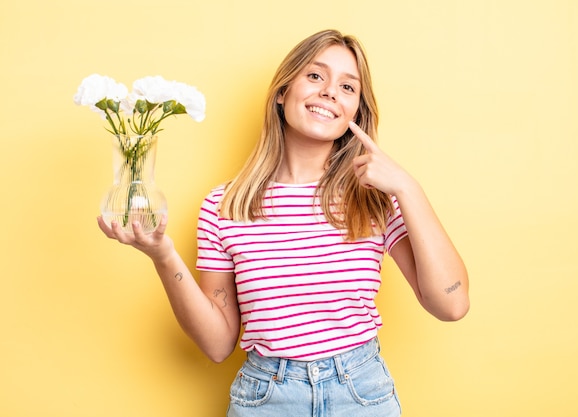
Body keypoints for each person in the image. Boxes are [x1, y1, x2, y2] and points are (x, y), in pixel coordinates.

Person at [98, 29, 469, 417]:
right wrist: (163, 255)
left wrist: (409, 189)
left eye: (347, 87)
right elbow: (218, 344)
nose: (329, 92)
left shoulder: (374, 198)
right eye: (315, 76)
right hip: (266, 400)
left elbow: (452, 304)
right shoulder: (225, 207)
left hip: (361, 395)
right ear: (282, 91)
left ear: (356, 111)